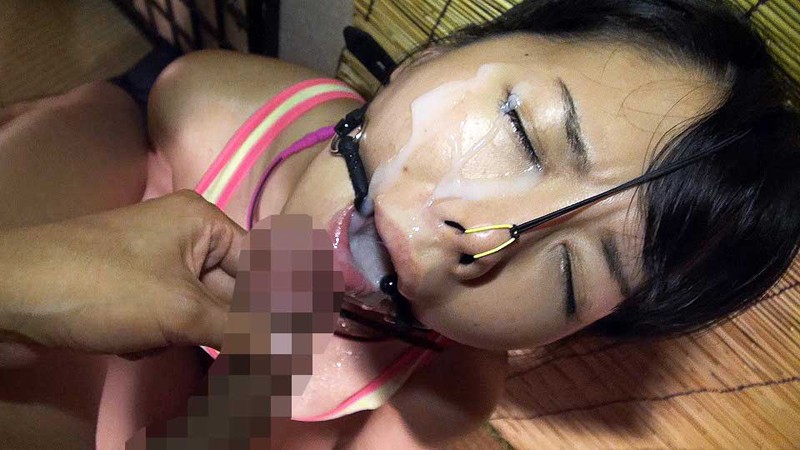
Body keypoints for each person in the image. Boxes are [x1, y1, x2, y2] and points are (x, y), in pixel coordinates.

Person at [1, 0, 798, 447]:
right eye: (522, 134)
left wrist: (249, 396)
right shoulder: (205, 109)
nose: (481, 236)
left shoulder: (443, 393)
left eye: (568, 274)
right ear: (427, 57)